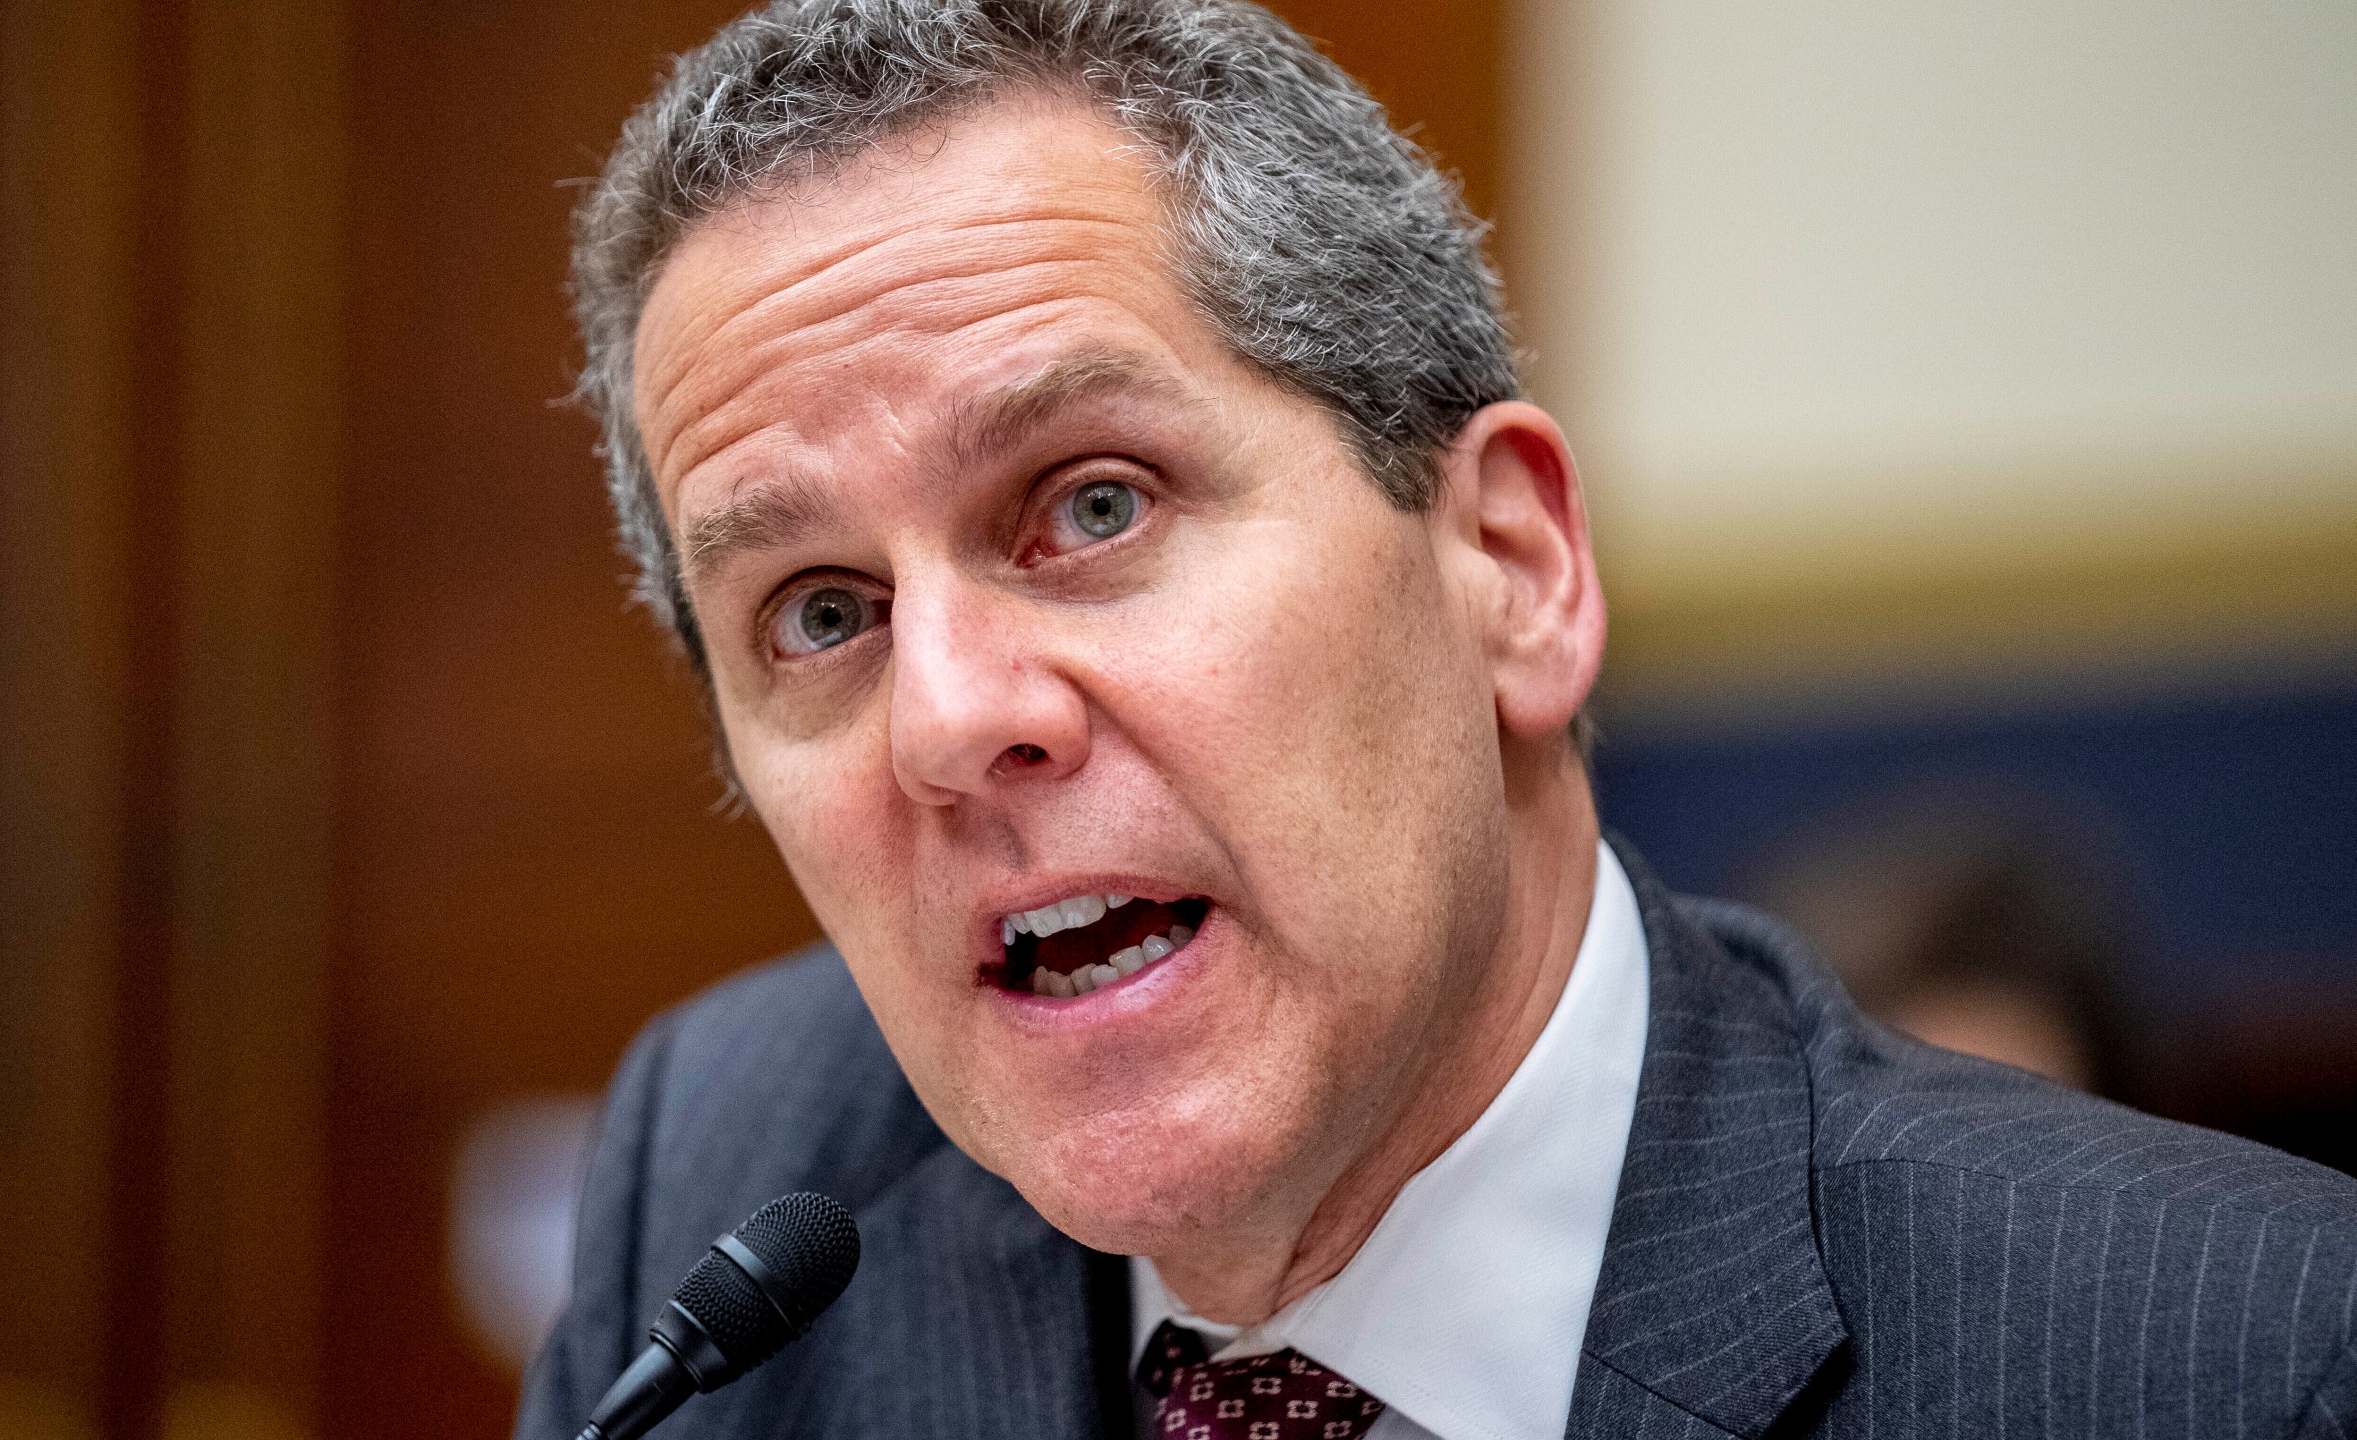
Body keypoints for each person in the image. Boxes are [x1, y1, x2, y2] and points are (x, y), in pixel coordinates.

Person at [517, 4, 2357, 1437]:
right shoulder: (733, 1188)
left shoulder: (2221, 1357)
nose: (950, 717)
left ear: (1511, 567)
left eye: (1093, 505)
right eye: (822, 614)